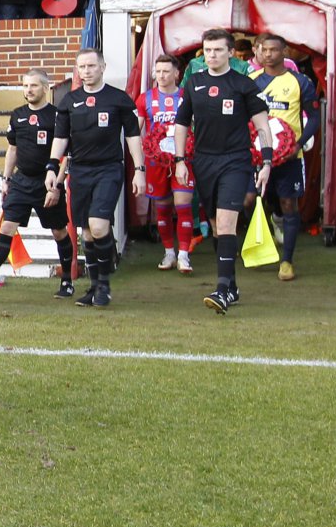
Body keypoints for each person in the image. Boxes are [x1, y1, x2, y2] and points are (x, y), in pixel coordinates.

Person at [171, 27, 277, 315]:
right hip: (203, 162)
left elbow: (263, 125)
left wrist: (266, 162)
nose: (212, 55)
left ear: (231, 52)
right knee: (217, 226)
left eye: (218, 50)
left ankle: (221, 290)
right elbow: (181, 123)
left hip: (235, 160)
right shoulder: (194, 84)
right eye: (207, 50)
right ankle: (231, 285)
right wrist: (180, 160)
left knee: (227, 222)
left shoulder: (243, 84)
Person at [0, 70, 79, 299]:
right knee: (7, 226)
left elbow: (64, 155)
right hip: (21, 180)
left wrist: (57, 186)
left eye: (34, 86)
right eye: (25, 85)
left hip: (47, 182)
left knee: (59, 231)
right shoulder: (17, 115)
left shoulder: (57, 116)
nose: (28, 90)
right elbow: (13, 149)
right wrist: (6, 180)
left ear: (46, 88)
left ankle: (67, 279)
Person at [47, 48, 145, 307]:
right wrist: (51, 167)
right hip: (79, 171)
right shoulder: (69, 100)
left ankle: (104, 285)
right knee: (88, 232)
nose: (87, 71)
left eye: (92, 66)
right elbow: (61, 139)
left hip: (109, 169)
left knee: (99, 225)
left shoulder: (118, 99)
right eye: (82, 67)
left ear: (102, 67)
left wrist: (139, 170)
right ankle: (93, 288)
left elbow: (133, 136)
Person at [249, 35, 312, 282]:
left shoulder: (299, 81)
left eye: (274, 50)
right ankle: (267, 233)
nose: (268, 54)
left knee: (289, 203)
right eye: (264, 50)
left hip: (289, 156)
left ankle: (287, 260)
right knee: (248, 201)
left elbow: (314, 116)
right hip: (256, 154)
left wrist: (297, 142)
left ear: (284, 51)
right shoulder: (250, 82)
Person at [139, 57, 197, 274]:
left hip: (184, 160)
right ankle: (169, 253)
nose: (161, 76)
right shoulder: (145, 99)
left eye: (166, 71)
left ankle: (184, 255)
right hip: (157, 162)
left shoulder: (187, 97)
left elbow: (196, 125)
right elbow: (137, 132)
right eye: (158, 71)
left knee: (182, 204)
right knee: (162, 209)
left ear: (177, 74)